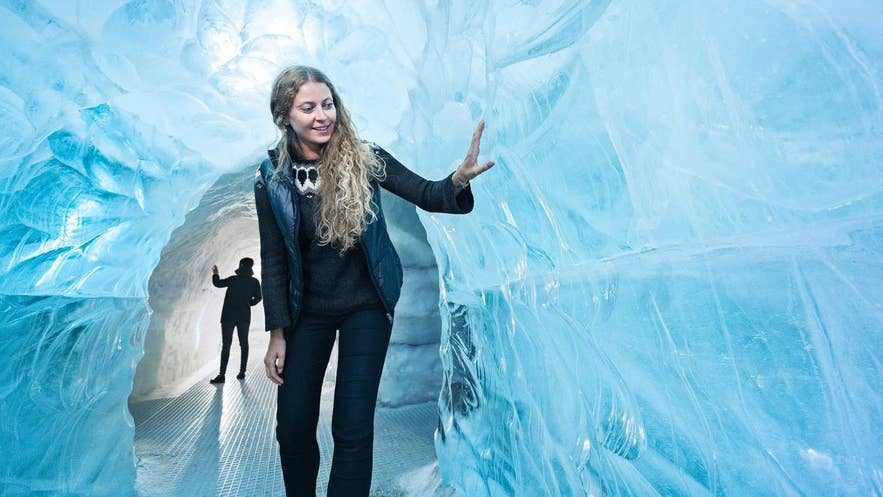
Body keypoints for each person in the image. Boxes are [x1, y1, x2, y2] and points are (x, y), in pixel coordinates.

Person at [254, 65, 494, 497]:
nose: (322, 115)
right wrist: (277, 333)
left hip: (366, 306)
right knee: (291, 429)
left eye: (327, 104)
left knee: (351, 426)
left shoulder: (366, 158)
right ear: (284, 117)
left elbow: (426, 193)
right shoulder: (270, 178)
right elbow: (273, 259)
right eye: (307, 108)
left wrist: (457, 181)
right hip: (307, 312)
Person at [210, 257, 263, 384]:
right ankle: (242, 372)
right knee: (244, 344)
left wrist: (216, 274)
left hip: (228, 317)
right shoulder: (254, 282)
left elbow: (218, 284)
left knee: (226, 346)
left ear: (240, 265)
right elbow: (259, 298)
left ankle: (221, 375)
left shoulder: (233, 279)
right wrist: (247, 303)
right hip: (244, 317)